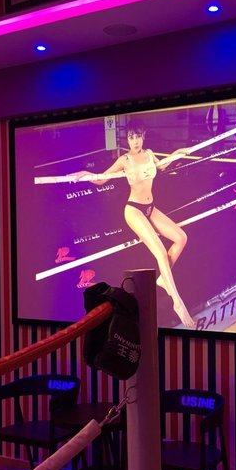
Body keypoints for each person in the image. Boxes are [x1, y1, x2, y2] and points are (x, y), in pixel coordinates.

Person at [72, 122, 195, 328]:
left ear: (143, 136)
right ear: (127, 139)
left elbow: (162, 166)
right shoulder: (125, 160)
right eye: (131, 137)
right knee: (161, 253)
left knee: (181, 238)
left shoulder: (149, 153)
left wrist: (178, 153)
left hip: (150, 207)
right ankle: (178, 303)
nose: (135, 141)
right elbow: (102, 179)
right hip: (134, 210)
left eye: (138, 136)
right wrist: (84, 173)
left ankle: (163, 279)